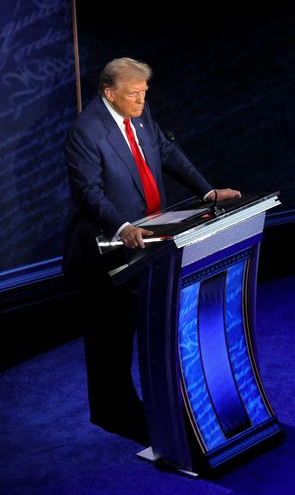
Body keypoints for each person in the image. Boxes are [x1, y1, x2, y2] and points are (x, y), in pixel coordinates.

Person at [63, 57, 241, 445]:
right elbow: (89, 192)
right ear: (110, 93)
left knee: (138, 323)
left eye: (144, 93)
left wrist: (207, 191)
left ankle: (141, 406)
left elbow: (166, 151)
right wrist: (123, 226)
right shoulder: (85, 132)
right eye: (133, 94)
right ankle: (112, 412)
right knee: (110, 334)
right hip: (105, 250)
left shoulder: (140, 113)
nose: (141, 101)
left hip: (149, 244)